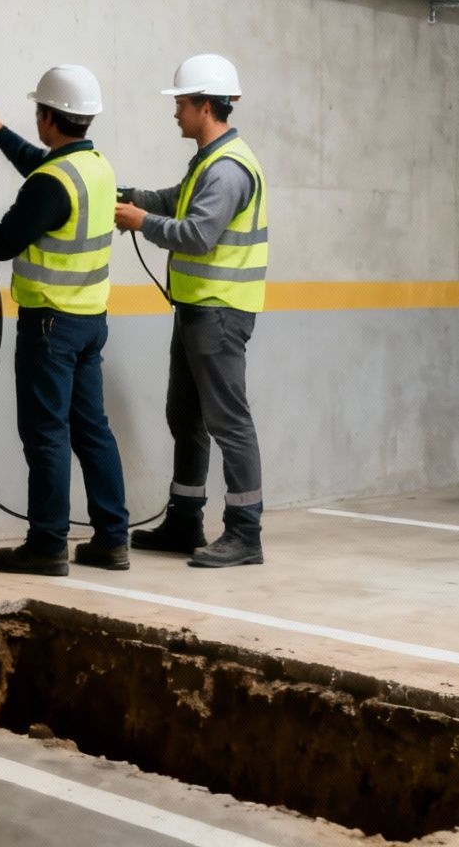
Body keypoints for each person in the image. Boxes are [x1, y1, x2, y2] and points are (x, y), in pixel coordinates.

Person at [0, 65, 129, 576]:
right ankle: (112, 540)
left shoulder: (51, 181)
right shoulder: (96, 168)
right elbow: (42, 170)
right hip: (90, 321)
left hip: (50, 326)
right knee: (93, 431)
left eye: (36, 112)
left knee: (46, 434)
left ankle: (46, 546)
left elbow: (3, 243)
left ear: (48, 117)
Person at [112, 53, 269, 569]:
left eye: (180, 103)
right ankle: (185, 520)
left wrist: (140, 222)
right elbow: (177, 200)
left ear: (205, 105)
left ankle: (245, 533)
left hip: (220, 313)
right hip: (197, 310)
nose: (175, 112)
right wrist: (130, 198)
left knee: (228, 422)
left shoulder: (228, 170)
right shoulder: (209, 160)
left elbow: (198, 234)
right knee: (185, 416)